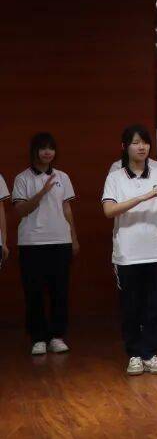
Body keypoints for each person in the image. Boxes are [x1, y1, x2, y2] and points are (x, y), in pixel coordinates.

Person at [102, 124, 157, 375]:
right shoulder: (115, 177)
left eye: (145, 142)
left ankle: (150, 353)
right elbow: (109, 211)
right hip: (127, 253)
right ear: (125, 147)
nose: (141, 147)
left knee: (154, 306)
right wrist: (142, 198)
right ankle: (134, 354)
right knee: (131, 307)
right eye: (135, 143)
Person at [12, 132, 79, 356]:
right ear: (34, 151)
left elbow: (67, 209)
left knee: (60, 291)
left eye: (51, 148)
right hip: (32, 242)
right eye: (43, 148)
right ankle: (38, 338)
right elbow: (20, 210)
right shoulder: (22, 178)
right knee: (34, 292)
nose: (47, 152)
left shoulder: (63, 177)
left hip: (60, 240)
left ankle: (57, 336)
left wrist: (74, 238)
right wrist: (41, 192)